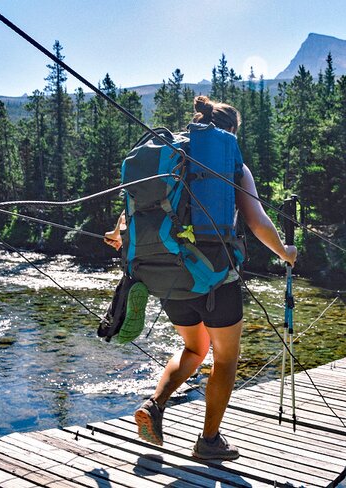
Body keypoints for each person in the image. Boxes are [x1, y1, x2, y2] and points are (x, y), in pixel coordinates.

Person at [104, 95, 297, 460]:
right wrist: (285, 253)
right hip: (216, 277)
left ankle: (155, 405)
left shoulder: (169, 159)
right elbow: (255, 220)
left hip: (166, 277)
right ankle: (209, 442)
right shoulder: (230, 165)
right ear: (232, 132)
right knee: (225, 359)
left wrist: (118, 235)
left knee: (195, 347)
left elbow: (131, 218)